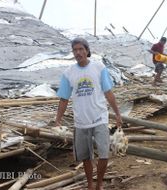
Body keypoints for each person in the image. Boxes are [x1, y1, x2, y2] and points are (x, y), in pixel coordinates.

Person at [55, 37, 122, 190]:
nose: (78, 53)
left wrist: (117, 114)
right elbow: (64, 98)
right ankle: (90, 185)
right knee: (85, 157)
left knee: (104, 154)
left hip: (100, 118)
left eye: (81, 49)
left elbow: (108, 92)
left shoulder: (99, 68)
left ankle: (99, 184)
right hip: (81, 121)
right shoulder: (68, 73)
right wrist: (57, 120)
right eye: (75, 50)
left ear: (87, 50)